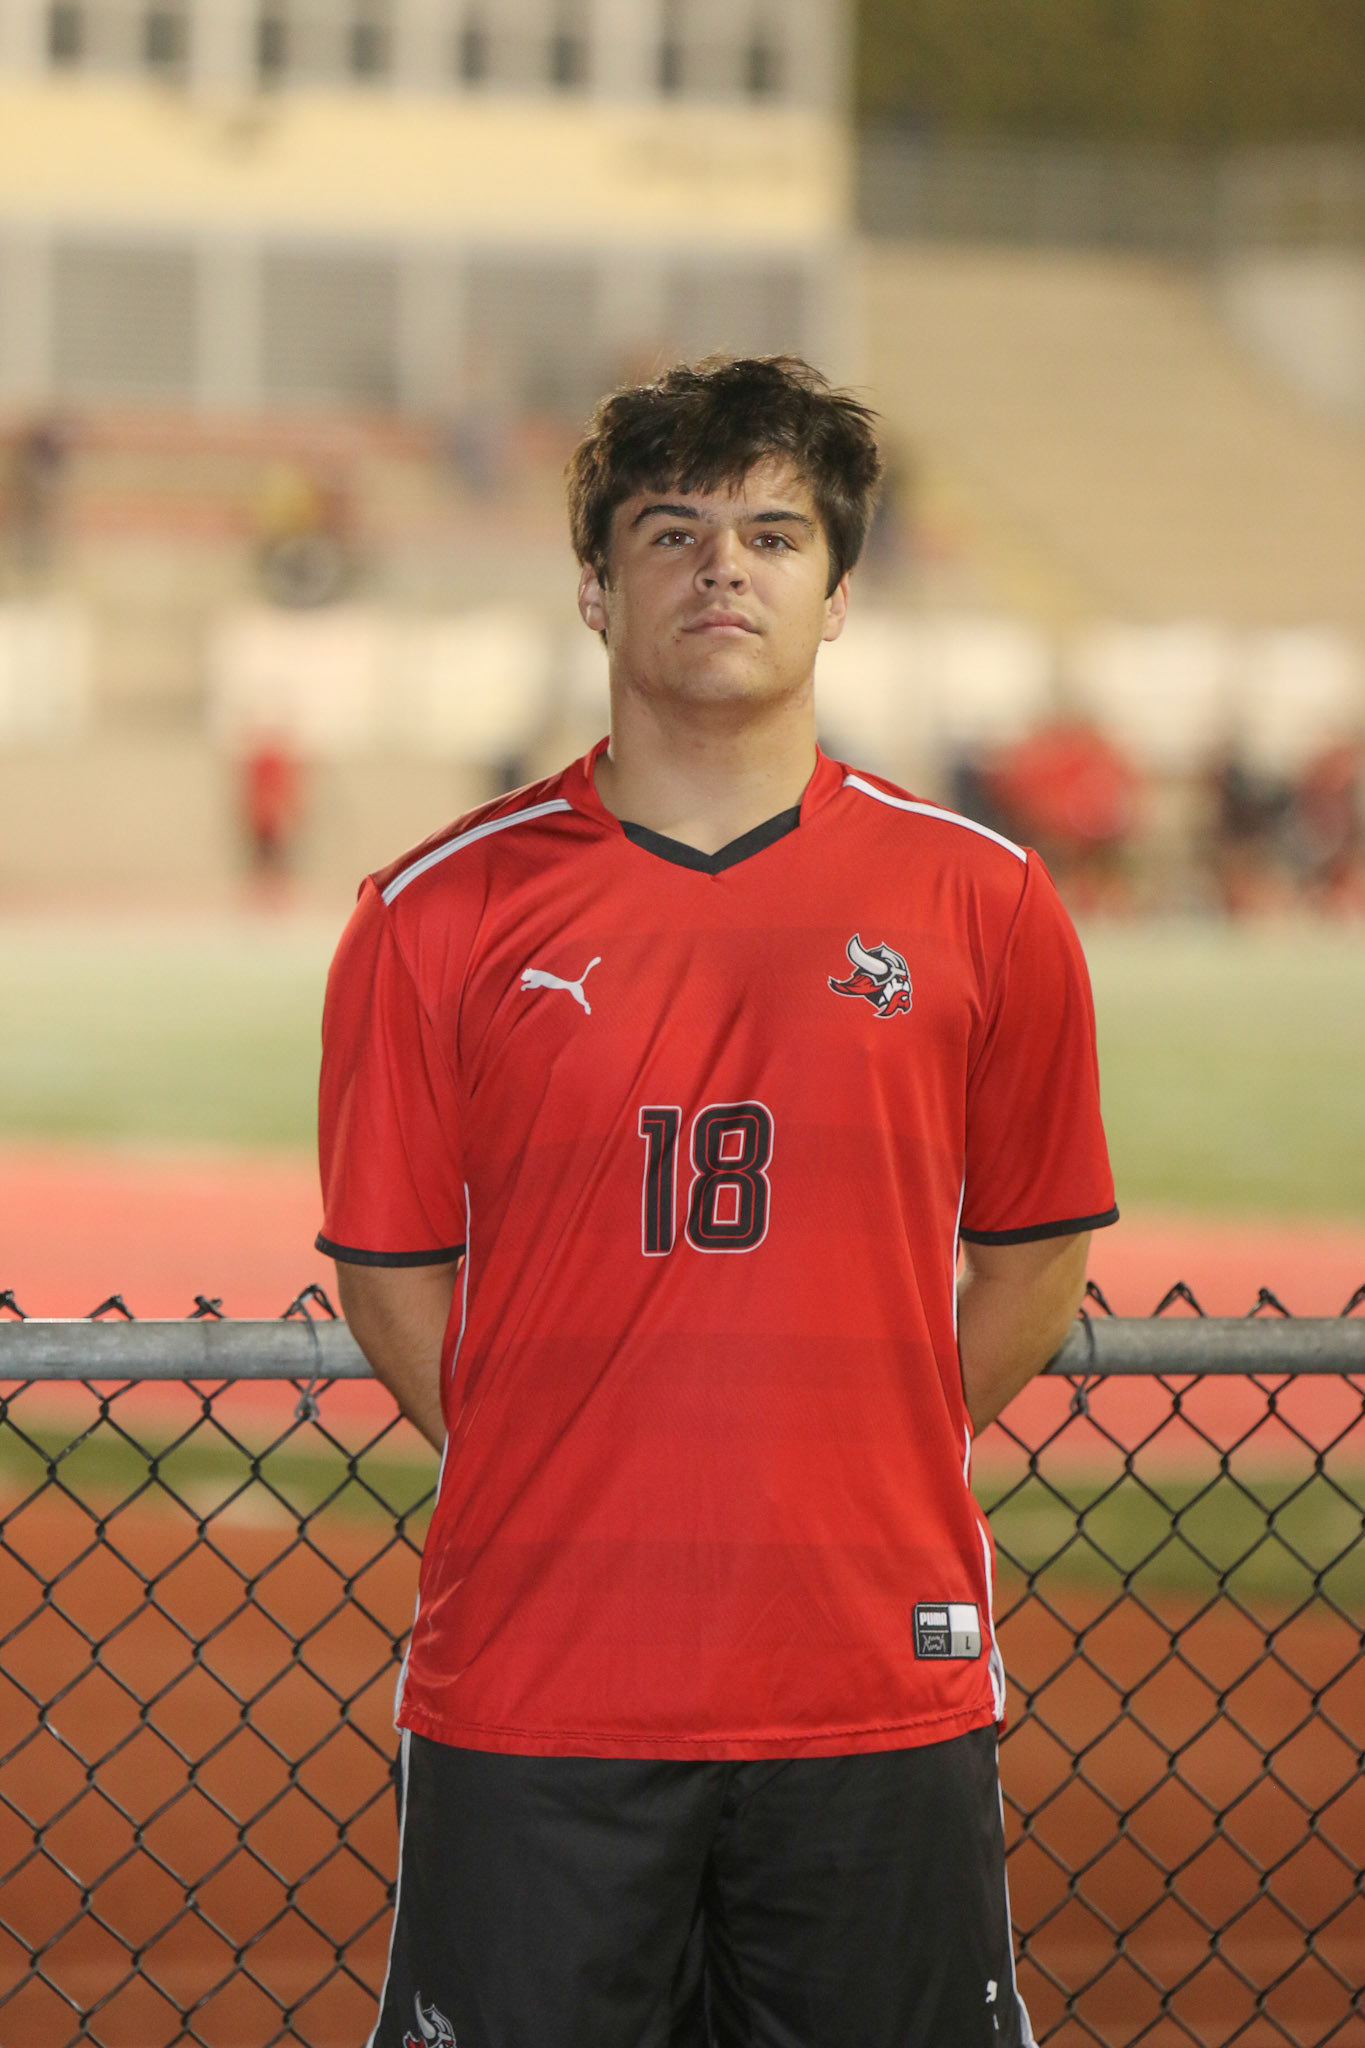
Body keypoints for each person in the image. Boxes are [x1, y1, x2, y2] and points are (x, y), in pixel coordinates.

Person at [316, 356, 1117, 2048]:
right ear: (594, 587)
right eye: (670, 533)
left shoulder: (983, 896)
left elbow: (1036, 1252)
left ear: (839, 593)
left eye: (771, 534)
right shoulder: (432, 912)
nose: (720, 571)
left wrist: (864, 1443)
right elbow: (391, 1278)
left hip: (871, 1667)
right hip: (540, 1675)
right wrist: (569, 1452)